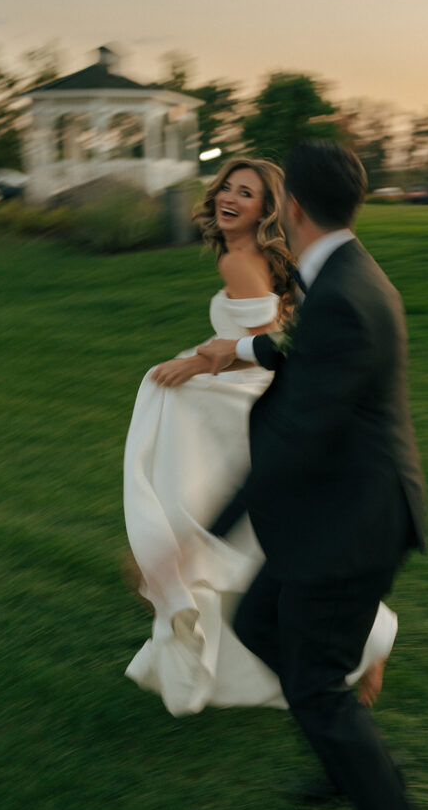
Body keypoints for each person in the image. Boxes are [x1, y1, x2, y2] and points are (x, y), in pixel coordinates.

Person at [198, 141, 428, 810]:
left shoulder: (341, 293)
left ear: (292, 208)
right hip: (342, 509)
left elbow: (299, 433)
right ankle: (347, 762)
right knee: (259, 621)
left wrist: (204, 533)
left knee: (312, 681)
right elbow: (318, 374)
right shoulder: (343, 272)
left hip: (355, 520)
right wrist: (249, 352)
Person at [123, 156, 398, 716]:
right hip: (244, 395)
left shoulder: (239, 261)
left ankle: (364, 642)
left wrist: (199, 367)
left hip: (238, 403)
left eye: (245, 193)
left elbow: (264, 348)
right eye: (227, 185)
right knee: (259, 538)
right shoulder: (260, 258)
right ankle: (359, 641)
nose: (229, 197)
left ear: (267, 209)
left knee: (227, 529)